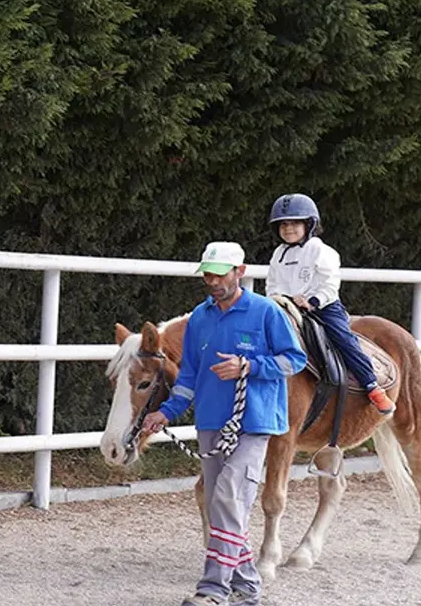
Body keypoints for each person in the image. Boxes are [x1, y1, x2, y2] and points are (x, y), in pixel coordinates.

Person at [141, 240, 307, 606]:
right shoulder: (200, 318)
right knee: (222, 505)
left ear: (240, 272)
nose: (213, 282)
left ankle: (213, 589)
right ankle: (246, 587)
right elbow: (188, 375)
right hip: (211, 420)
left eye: (219, 275)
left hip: (254, 421)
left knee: (228, 496)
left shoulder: (265, 312)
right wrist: (166, 412)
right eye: (208, 275)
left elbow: (294, 360)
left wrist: (249, 366)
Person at [265, 193, 395, 415]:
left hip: (321, 307)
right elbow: (272, 283)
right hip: (286, 307)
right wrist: (277, 299)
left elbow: (329, 282)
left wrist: (313, 301)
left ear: (309, 224)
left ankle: (371, 385)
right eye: (283, 224)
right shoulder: (279, 254)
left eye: (294, 223)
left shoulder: (320, 250)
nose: (288, 229)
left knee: (342, 338)